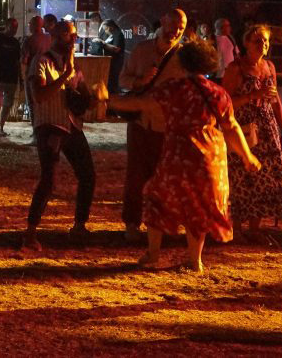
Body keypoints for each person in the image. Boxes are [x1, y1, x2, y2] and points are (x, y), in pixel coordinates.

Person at [107, 39, 261, 272]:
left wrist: (109, 100)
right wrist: (247, 156)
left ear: (183, 62)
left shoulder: (173, 88)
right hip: (210, 157)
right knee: (198, 208)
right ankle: (195, 260)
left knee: (157, 199)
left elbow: (140, 103)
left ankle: (153, 254)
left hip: (178, 154)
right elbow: (231, 127)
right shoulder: (218, 93)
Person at [22, 20, 98, 252]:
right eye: (68, 34)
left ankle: (79, 226)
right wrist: (65, 76)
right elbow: (39, 95)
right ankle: (30, 233)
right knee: (49, 180)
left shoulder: (73, 66)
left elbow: (85, 98)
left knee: (88, 174)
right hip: (50, 125)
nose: (73, 39)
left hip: (71, 125)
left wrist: (96, 98)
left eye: (74, 35)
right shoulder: (41, 61)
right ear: (54, 36)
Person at [223, 24, 282, 240]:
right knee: (241, 176)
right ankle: (237, 228)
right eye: (257, 41)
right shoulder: (236, 68)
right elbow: (225, 102)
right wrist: (253, 95)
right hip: (243, 128)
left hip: (266, 127)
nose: (263, 44)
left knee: (264, 176)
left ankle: (255, 228)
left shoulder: (269, 66)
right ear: (246, 43)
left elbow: (275, 101)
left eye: (265, 40)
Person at [118, 8, 187, 242]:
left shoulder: (185, 57)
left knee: (167, 178)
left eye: (181, 28)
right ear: (163, 21)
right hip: (141, 124)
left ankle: (162, 224)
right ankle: (132, 223)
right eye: (173, 25)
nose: (176, 31)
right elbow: (123, 79)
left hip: (169, 126)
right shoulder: (142, 50)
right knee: (136, 176)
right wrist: (140, 81)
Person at [21, 16, 52, 119]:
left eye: (30, 24)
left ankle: (35, 125)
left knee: (32, 103)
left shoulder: (29, 40)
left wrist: (23, 76)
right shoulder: (49, 38)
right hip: (48, 74)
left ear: (33, 25)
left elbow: (24, 60)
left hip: (33, 74)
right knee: (45, 102)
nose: (29, 26)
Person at [96, 20, 126, 94]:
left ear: (111, 27)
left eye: (106, 29)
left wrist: (103, 43)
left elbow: (117, 49)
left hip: (116, 62)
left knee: (114, 81)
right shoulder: (110, 35)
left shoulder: (118, 34)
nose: (105, 31)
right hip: (110, 62)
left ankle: (115, 96)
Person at [214, 18, 239, 83]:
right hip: (218, 74)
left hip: (231, 72)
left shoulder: (230, 38)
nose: (230, 28)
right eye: (228, 26)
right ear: (221, 27)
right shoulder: (212, 39)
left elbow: (236, 53)